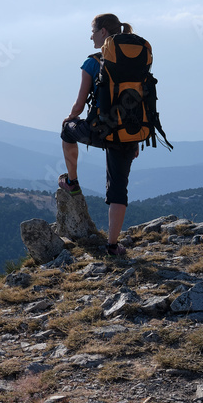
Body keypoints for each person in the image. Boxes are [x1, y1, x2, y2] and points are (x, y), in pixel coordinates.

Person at [58, 13, 139, 257]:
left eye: (93, 31)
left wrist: (70, 118)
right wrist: (134, 138)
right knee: (118, 188)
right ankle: (113, 246)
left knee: (66, 131)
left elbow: (79, 106)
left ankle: (72, 182)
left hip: (99, 130)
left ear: (103, 32)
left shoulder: (93, 62)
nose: (90, 36)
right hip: (129, 131)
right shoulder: (136, 60)